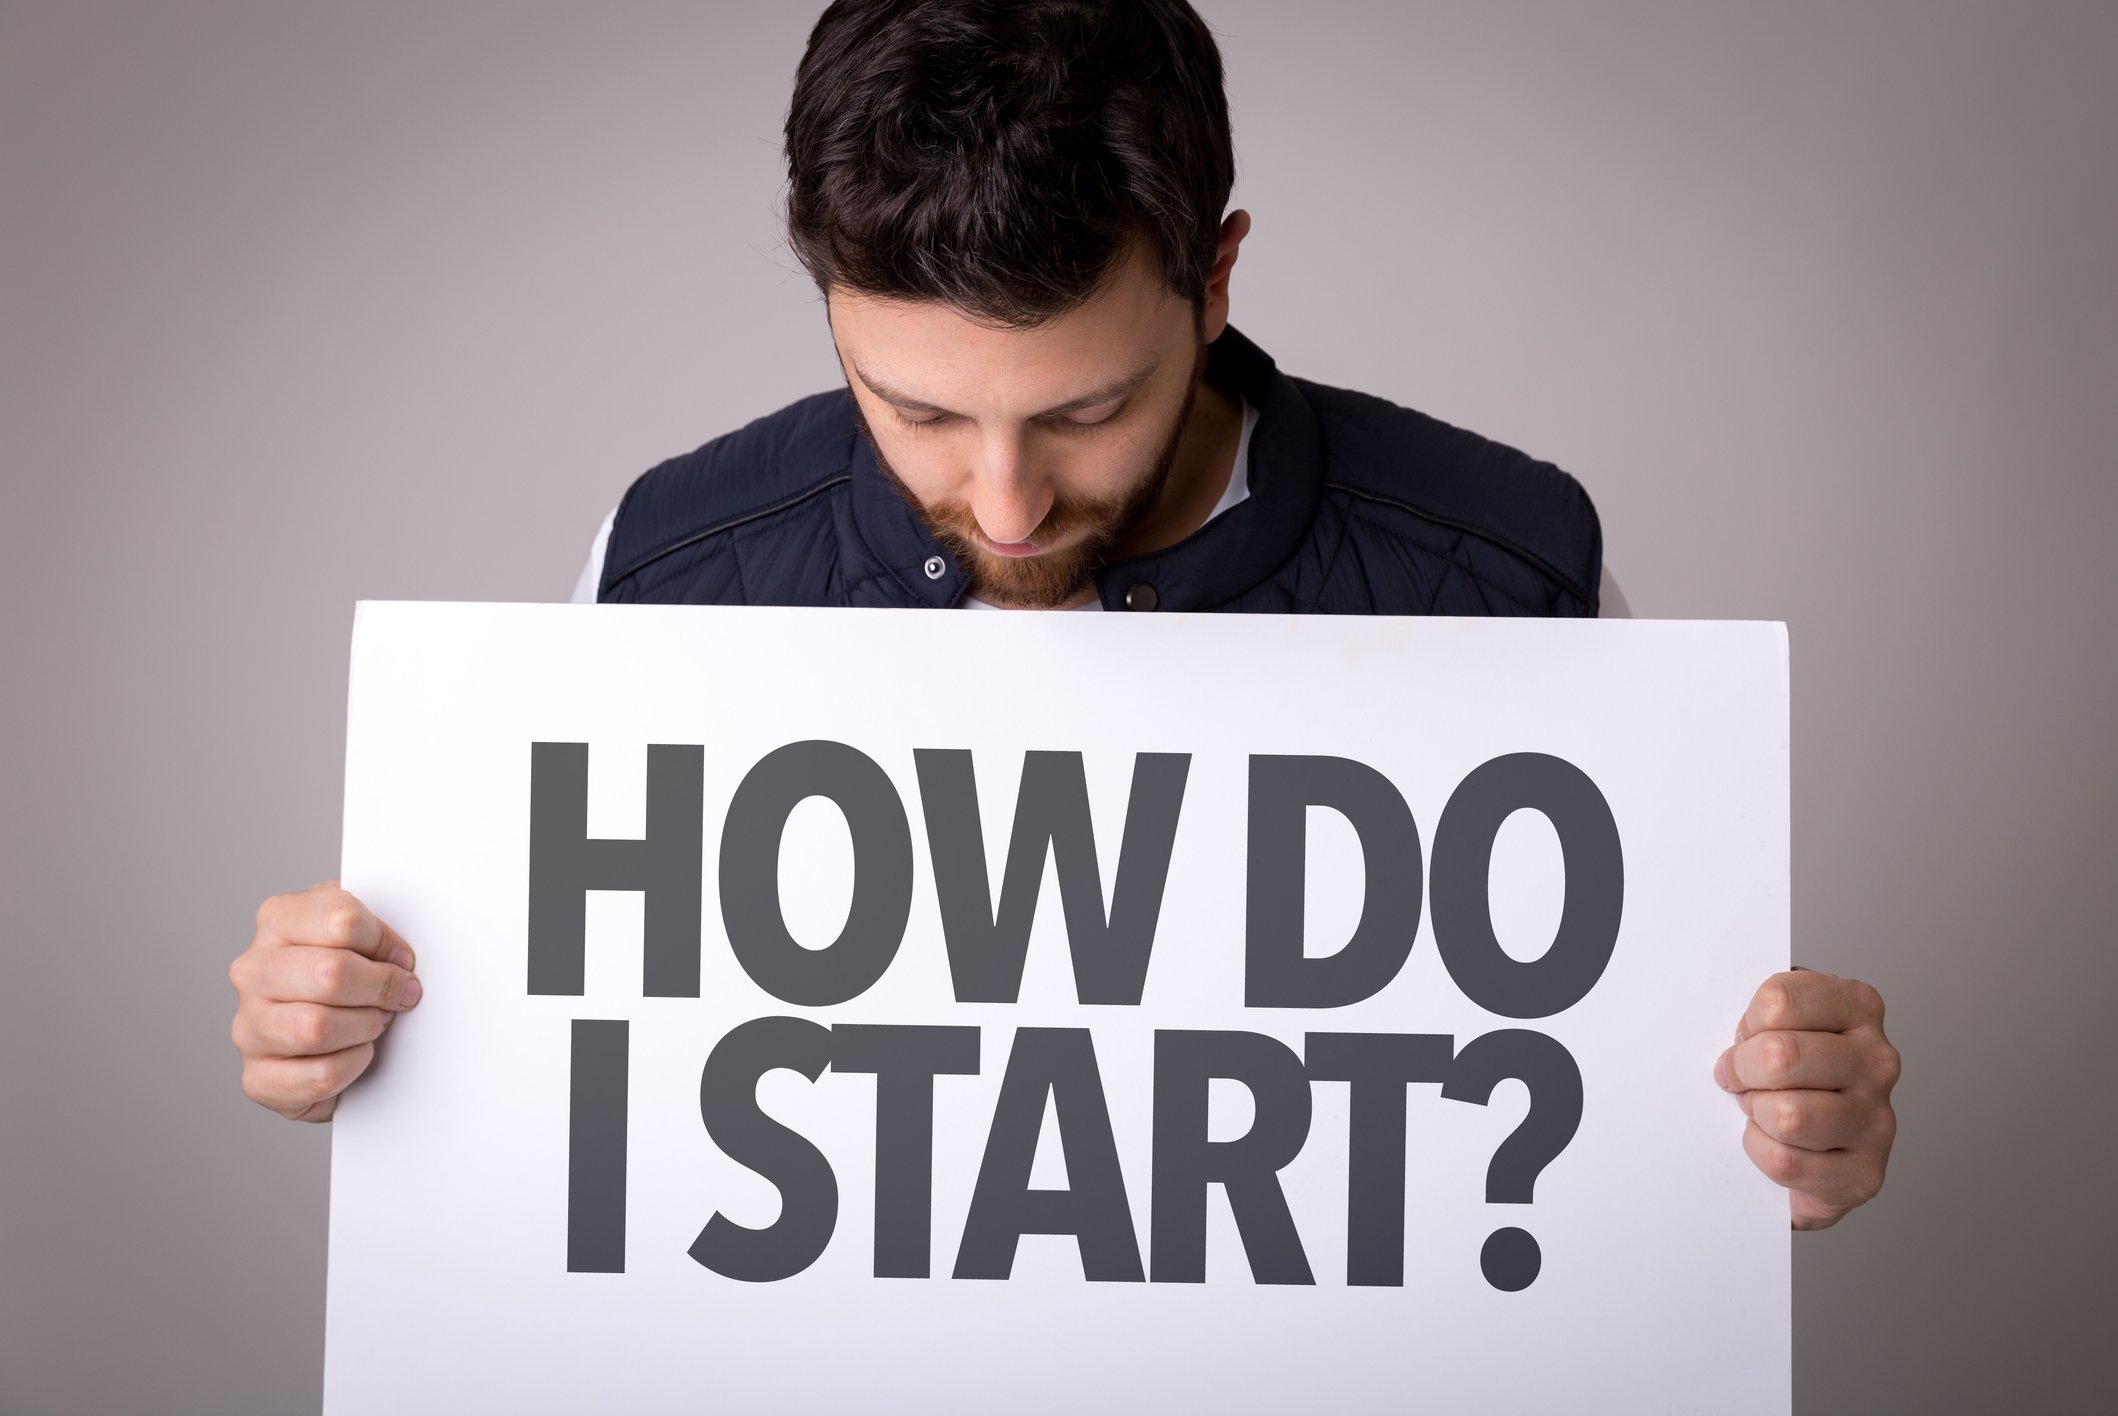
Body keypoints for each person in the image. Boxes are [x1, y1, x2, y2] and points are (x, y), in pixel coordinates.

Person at [227, 0, 1898, 1231]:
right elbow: (566, 1117)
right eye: (920, 413)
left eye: (1085, 411)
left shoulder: (1510, 567)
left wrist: (1779, 1125)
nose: (1007, 503)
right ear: (828, 308)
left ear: (1216, 277)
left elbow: (1624, 1134)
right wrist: (358, 1037)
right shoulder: (668, 570)